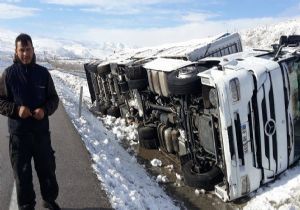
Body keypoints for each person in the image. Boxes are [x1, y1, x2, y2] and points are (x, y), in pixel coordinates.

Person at [0, 33, 60, 210]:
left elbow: (53, 99)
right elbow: (0, 101)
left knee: (47, 171)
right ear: (16, 51)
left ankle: (49, 201)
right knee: (22, 174)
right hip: (19, 136)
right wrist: (16, 110)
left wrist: (45, 110)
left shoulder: (43, 74)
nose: (25, 54)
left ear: (33, 50)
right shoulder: (8, 74)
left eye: (28, 49)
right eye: (22, 50)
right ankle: (26, 206)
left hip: (41, 134)